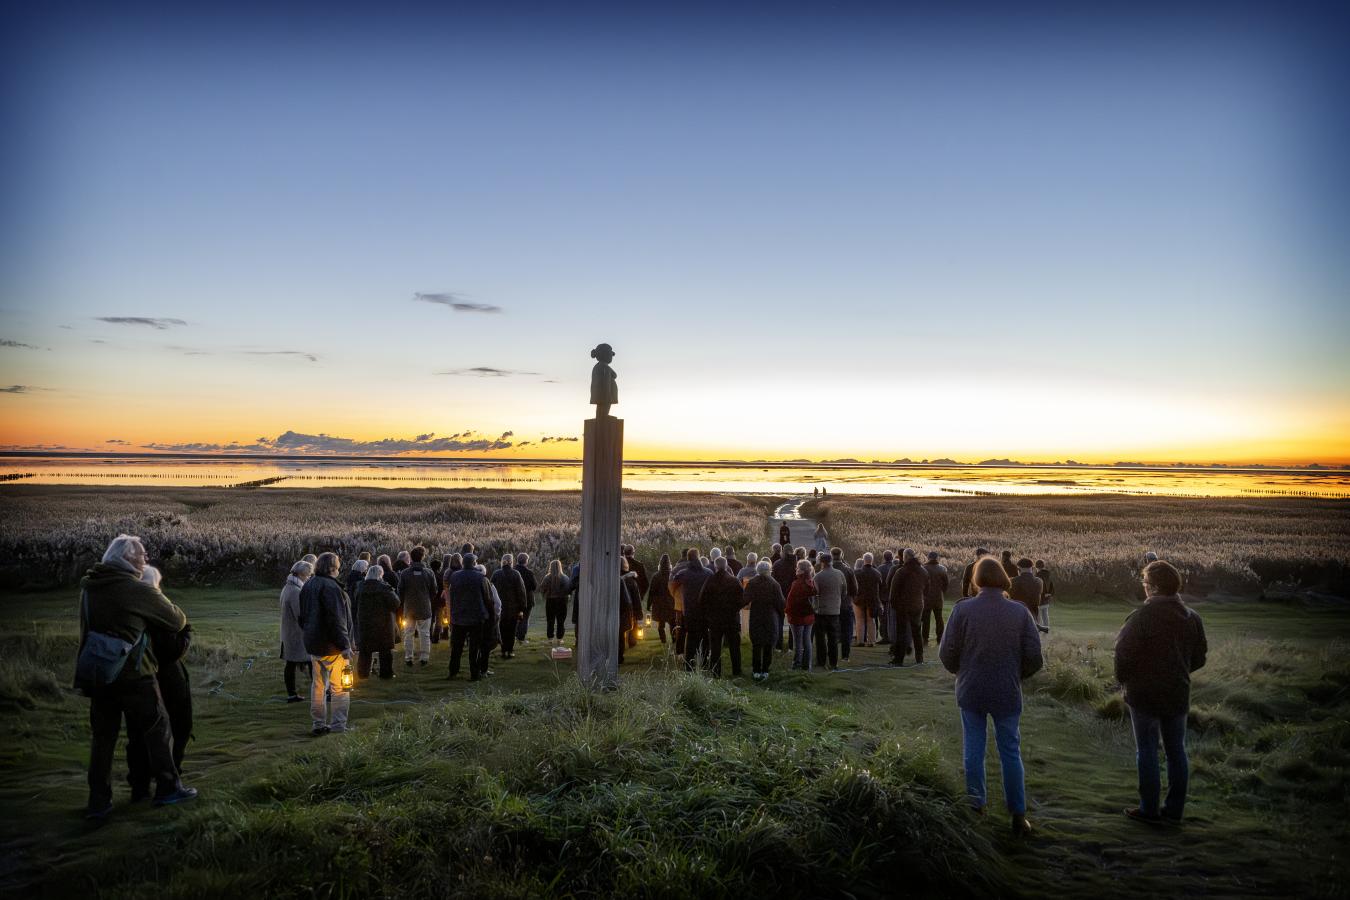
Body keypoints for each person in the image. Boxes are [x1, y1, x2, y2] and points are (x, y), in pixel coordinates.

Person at [80, 534, 197, 817]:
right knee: (157, 729)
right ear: (127, 558)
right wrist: (154, 596)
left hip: (99, 672)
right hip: (134, 673)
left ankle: (99, 801)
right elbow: (177, 619)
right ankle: (168, 788)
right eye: (142, 555)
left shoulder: (91, 586)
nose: (145, 559)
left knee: (103, 738)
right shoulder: (134, 588)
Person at [939, 557, 1044, 837]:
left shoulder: (963, 610)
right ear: (1002, 578)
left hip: (971, 688)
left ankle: (976, 807)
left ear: (977, 580)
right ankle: (1018, 815)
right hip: (1006, 689)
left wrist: (961, 672)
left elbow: (946, 652)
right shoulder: (1019, 612)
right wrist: (1016, 674)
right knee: (1010, 750)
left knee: (973, 747)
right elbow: (1034, 657)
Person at [1115, 560, 1208, 826]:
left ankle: (1149, 809)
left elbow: (1123, 655)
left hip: (1143, 693)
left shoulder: (1141, 617)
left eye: (1145, 584)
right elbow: (1199, 657)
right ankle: (1174, 811)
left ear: (1154, 588)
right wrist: (1180, 672)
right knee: (1176, 750)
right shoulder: (1193, 618)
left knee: (1146, 749)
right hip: (1178, 691)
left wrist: (1125, 682)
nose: (1144, 588)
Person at [125, 565, 193, 806]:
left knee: (137, 733)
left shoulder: (128, 609)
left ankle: (139, 786)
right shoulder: (157, 613)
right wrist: (186, 632)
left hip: (135, 677)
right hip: (164, 678)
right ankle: (171, 780)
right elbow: (170, 651)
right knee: (176, 728)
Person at [298, 552, 354, 736]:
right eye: (337, 566)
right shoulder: (331, 588)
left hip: (314, 644)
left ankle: (318, 723)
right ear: (332, 568)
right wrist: (345, 645)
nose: (339, 569)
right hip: (332, 646)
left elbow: (302, 616)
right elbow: (337, 619)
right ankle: (339, 726)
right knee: (340, 687)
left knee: (318, 686)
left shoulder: (308, 585)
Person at [447, 554, 492, 680]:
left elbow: (452, 596)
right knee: (474, 648)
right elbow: (487, 598)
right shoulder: (481, 578)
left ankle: (453, 672)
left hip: (459, 617)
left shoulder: (454, 576)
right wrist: (490, 614)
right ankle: (474, 673)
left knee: (456, 648)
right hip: (476, 617)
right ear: (474, 563)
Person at [702, 558, 746, 678]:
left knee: (715, 647)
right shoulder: (734, 581)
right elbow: (743, 600)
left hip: (715, 620)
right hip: (731, 618)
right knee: (734, 647)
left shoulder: (710, 581)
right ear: (726, 567)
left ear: (715, 567)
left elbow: (702, 599)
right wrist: (734, 609)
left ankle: (716, 672)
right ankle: (736, 671)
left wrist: (709, 613)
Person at [355, 565, 399, 679]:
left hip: (365, 622)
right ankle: (386, 673)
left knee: (365, 650)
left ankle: (362, 673)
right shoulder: (384, 588)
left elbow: (355, 602)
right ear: (380, 575)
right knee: (385, 650)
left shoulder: (360, 587)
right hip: (382, 622)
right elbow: (395, 603)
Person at [671, 549, 712, 671]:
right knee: (705, 637)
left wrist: (676, 598)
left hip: (689, 610)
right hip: (705, 610)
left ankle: (689, 664)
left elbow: (672, 584)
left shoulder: (683, 574)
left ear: (688, 559)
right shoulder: (708, 573)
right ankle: (705, 663)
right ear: (699, 557)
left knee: (691, 638)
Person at [397, 546, 438, 667]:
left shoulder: (404, 573)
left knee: (408, 633)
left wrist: (405, 601)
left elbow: (400, 590)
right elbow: (434, 590)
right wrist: (427, 599)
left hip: (409, 608)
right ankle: (424, 657)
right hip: (425, 607)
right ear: (422, 557)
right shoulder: (429, 573)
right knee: (425, 634)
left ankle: (408, 657)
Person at [280, 560, 314, 701]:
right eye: (307, 575)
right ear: (301, 574)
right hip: (296, 634)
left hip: (289, 632)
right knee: (310, 662)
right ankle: (317, 692)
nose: (308, 578)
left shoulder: (287, 587)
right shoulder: (295, 591)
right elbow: (300, 615)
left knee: (291, 663)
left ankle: (293, 694)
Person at [746, 560, 786, 681]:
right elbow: (781, 602)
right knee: (768, 643)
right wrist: (780, 614)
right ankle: (765, 670)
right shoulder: (774, 584)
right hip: (770, 615)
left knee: (757, 643)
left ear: (757, 570)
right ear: (769, 570)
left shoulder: (752, 582)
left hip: (756, 615)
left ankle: (756, 670)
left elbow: (745, 599)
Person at [889, 550, 928, 665]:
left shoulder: (901, 571)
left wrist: (894, 605)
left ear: (905, 557)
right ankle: (919, 658)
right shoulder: (923, 571)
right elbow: (926, 589)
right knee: (917, 632)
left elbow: (894, 590)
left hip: (903, 606)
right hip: (917, 605)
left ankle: (899, 659)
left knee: (901, 632)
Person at [812, 554, 846, 670]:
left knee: (820, 638)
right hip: (835, 610)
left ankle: (821, 661)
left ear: (822, 562)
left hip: (821, 611)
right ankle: (834, 662)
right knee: (833, 639)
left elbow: (815, 593)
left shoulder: (818, 577)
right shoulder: (840, 574)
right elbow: (844, 591)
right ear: (831, 561)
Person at [491, 555, 528, 659]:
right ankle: (510, 651)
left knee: (502, 629)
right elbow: (521, 592)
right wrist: (522, 608)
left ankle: (503, 650)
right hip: (513, 608)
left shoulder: (496, 574)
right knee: (511, 630)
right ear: (512, 562)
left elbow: (490, 590)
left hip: (500, 608)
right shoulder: (516, 574)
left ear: (502, 562)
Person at [785, 559, 818, 671]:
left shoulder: (797, 584)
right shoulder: (812, 582)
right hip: (809, 615)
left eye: (797, 568)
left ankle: (796, 664)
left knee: (798, 642)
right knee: (807, 640)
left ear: (801, 571)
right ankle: (807, 665)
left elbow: (791, 602)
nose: (796, 570)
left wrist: (788, 613)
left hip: (797, 617)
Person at [830, 547, 858, 662]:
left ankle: (832, 656)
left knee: (832, 631)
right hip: (846, 604)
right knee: (847, 631)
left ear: (832, 555)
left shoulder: (826, 569)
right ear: (841, 555)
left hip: (831, 605)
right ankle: (845, 656)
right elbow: (855, 589)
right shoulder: (848, 570)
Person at [853, 552, 883, 647]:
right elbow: (880, 586)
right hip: (872, 599)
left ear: (863, 560)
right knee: (871, 621)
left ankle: (860, 640)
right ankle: (871, 641)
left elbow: (854, 586)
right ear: (872, 560)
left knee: (859, 620)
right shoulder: (877, 573)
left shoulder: (857, 573)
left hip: (859, 599)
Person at [647, 554, 676, 646]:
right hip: (671, 603)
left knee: (661, 624)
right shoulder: (672, 575)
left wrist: (649, 604)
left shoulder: (656, 576)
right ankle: (674, 639)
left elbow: (651, 592)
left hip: (659, 604)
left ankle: (663, 640)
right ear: (669, 564)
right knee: (672, 623)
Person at [540, 559, 572, 645]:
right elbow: (569, 590)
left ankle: (550, 638)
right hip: (562, 601)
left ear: (551, 567)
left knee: (550, 620)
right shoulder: (565, 578)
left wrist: (546, 594)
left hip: (550, 601)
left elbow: (542, 589)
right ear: (560, 566)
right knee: (561, 620)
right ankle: (559, 639)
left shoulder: (547, 577)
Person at [922, 551, 950, 646]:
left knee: (926, 619)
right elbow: (946, 583)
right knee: (939, 618)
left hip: (926, 598)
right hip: (938, 597)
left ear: (928, 557)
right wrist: (942, 592)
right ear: (937, 558)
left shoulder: (923, 568)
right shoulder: (942, 569)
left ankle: (925, 638)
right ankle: (940, 638)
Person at [1008, 558, 1043, 626]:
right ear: (1032, 569)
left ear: (1019, 569)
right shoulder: (1039, 581)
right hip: (1033, 616)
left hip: (1017, 615)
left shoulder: (1013, 581)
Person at [514, 552, 538, 643]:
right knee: (525, 619)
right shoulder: (529, 572)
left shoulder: (513, 571)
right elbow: (535, 586)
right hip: (527, 599)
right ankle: (521, 638)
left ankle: (515, 636)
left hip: (515, 599)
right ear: (526, 561)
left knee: (517, 618)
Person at [1033, 559, 1054, 632]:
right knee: (1045, 614)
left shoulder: (1038, 575)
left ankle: (1039, 628)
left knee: (1038, 614)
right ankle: (1046, 628)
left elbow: (1038, 587)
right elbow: (1051, 585)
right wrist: (1050, 593)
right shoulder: (1048, 574)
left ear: (1036, 567)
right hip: (1047, 597)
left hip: (1040, 597)